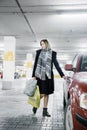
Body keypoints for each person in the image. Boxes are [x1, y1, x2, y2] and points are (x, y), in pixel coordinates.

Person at [32, 39, 65, 117]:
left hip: (49, 76)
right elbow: (36, 64)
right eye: (41, 44)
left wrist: (62, 74)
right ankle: (35, 105)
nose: (42, 46)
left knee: (47, 94)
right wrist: (33, 75)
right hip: (40, 76)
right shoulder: (39, 52)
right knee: (42, 94)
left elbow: (56, 64)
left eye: (43, 44)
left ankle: (45, 111)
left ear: (47, 44)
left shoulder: (53, 53)